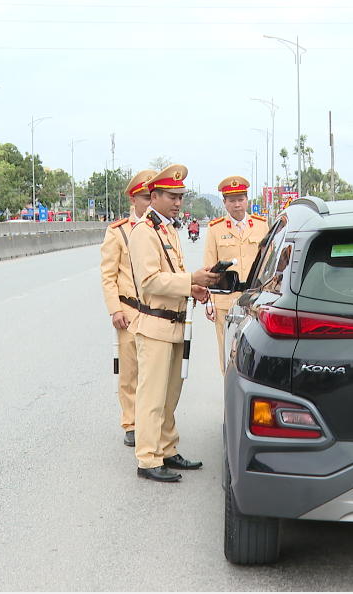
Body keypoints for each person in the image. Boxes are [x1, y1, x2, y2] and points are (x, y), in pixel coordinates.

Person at [128, 164, 220, 483]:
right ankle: (148, 458)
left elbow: (172, 275)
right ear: (154, 196)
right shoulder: (144, 231)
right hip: (154, 326)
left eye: (180, 197)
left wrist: (192, 287)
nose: (178, 202)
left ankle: (166, 449)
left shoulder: (167, 229)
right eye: (172, 196)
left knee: (170, 395)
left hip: (175, 324)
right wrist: (190, 278)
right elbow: (150, 281)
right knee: (152, 396)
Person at [99, 169, 156, 448]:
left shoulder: (160, 229)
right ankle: (131, 423)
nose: (150, 202)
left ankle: (152, 422)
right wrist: (114, 309)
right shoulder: (118, 231)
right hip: (129, 311)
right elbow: (108, 274)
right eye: (146, 197)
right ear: (134, 200)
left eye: (152, 196)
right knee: (130, 372)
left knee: (154, 372)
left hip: (157, 312)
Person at [203, 175, 269, 367]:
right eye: (232, 200)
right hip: (226, 300)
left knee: (254, 350)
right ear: (224, 203)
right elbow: (209, 267)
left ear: (247, 200)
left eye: (241, 199)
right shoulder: (215, 229)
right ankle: (229, 390)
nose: (237, 204)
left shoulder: (261, 224)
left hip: (255, 299)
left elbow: (269, 263)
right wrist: (209, 301)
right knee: (227, 351)